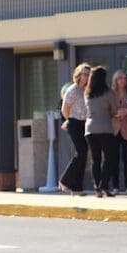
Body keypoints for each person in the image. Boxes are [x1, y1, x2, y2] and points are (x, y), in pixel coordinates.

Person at [83, 66, 118, 197]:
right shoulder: (108, 93)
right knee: (109, 157)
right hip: (105, 128)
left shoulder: (87, 93)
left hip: (90, 129)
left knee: (95, 159)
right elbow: (114, 110)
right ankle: (104, 185)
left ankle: (97, 187)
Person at [58, 63, 91, 195]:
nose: (86, 77)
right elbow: (64, 110)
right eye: (84, 74)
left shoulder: (87, 90)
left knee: (83, 154)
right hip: (74, 123)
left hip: (84, 123)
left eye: (89, 74)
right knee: (81, 151)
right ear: (78, 75)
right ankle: (65, 181)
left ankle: (77, 188)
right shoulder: (73, 90)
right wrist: (69, 120)